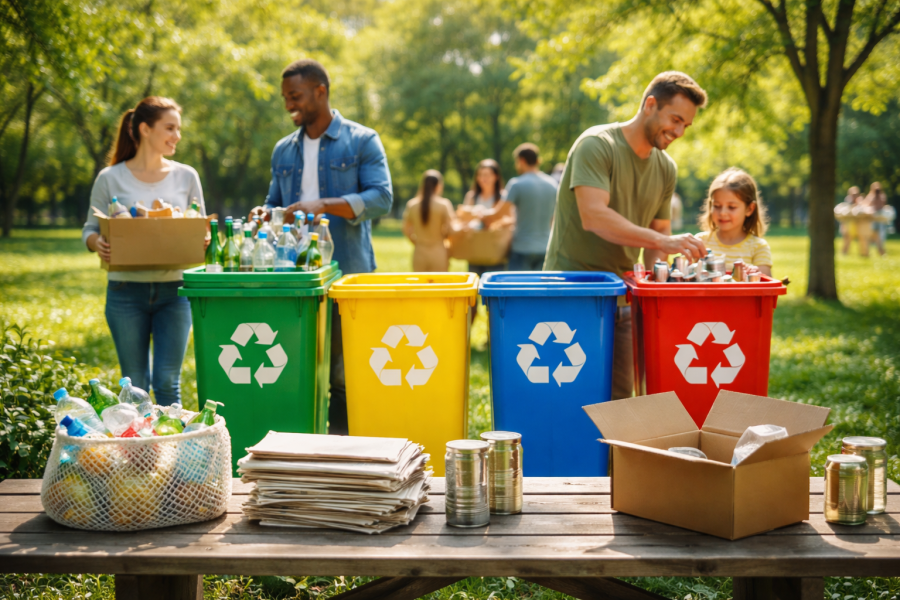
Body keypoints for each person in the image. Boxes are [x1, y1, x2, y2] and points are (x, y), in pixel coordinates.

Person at [543, 71, 709, 401]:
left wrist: (657, 286)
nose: (679, 132)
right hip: (572, 292)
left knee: (620, 400)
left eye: (686, 126)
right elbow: (594, 216)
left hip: (624, 298)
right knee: (569, 394)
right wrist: (662, 242)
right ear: (650, 105)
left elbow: (659, 232)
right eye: (675, 120)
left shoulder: (666, 168)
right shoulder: (597, 145)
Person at [248, 58, 392, 435]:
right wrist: (265, 211)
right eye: (285, 97)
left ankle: (340, 448)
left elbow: (381, 198)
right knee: (296, 367)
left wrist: (324, 205)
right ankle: (301, 445)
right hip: (294, 276)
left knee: (343, 374)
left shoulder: (362, 140)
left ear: (320, 92)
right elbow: (275, 201)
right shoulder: (283, 150)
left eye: (295, 96)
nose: (288, 105)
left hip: (347, 273)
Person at [82, 97, 206, 406]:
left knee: (167, 382)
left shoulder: (187, 176)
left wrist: (203, 239)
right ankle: (139, 441)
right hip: (125, 292)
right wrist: (98, 244)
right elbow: (89, 230)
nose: (177, 136)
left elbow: (201, 227)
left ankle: (169, 439)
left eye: (178, 129)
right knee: (134, 385)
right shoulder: (110, 178)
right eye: (170, 128)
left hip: (175, 291)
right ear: (145, 129)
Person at [695, 167, 772, 277]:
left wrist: (751, 273)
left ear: (749, 209)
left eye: (731, 207)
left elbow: (765, 283)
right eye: (716, 206)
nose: (723, 213)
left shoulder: (758, 247)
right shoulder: (700, 242)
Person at [505, 143, 558, 271]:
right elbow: (554, 219)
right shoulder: (552, 184)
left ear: (522, 161)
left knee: (518, 285)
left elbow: (501, 213)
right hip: (545, 248)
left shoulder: (516, 184)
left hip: (521, 248)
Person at [462, 159, 509, 275]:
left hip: (495, 251)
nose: (483, 178)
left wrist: (493, 221)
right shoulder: (471, 196)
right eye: (480, 175)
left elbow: (512, 219)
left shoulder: (503, 196)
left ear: (496, 177)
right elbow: (463, 219)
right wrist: (473, 218)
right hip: (475, 249)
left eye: (487, 175)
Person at [402, 170, 455, 271]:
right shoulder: (443, 205)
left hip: (419, 252)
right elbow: (451, 230)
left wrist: (416, 242)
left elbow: (406, 229)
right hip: (439, 251)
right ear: (438, 185)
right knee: (439, 281)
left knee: (421, 281)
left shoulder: (412, 205)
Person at [862, 182, 887, 257]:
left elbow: (882, 206)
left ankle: (880, 252)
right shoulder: (870, 196)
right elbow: (865, 205)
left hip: (879, 220)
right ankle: (866, 252)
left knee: (880, 237)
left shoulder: (881, 196)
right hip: (871, 220)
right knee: (869, 236)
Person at [837, 186, 861, 255]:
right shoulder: (848, 200)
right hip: (847, 223)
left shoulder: (859, 200)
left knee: (851, 239)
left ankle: (847, 252)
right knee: (846, 238)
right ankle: (844, 252)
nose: (854, 196)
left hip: (855, 223)